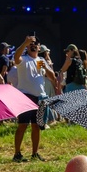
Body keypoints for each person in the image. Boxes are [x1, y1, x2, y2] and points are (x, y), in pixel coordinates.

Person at [12, 34, 59, 162]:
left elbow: (51, 77)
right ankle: (17, 154)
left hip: (40, 97)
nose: (33, 46)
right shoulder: (24, 59)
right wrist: (24, 43)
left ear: (39, 48)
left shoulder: (40, 61)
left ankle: (35, 153)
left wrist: (45, 67)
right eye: (31, 45)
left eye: (36, 45)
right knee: (22, 125)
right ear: (27, 48)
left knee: (37, 126)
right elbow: (16, 58)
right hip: (26, 97)